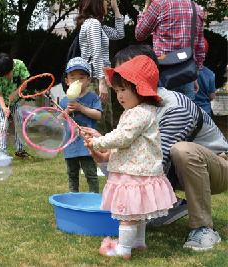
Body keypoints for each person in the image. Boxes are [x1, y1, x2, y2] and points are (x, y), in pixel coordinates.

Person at [83, 45, 228, 251]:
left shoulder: (174, 107)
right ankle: (173, 207)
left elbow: (156, 161)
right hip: (182, 171)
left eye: (124, 77)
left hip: (218, 166)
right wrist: (106, 155)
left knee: (182, 150)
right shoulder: (138, 108)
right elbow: (134, 152)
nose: (117, 83)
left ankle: (205, 228)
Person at [83, 55, 176, 259]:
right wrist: (100, 139)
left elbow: (122, 137)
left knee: (127, 214)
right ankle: (138, 243)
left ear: (141, 90)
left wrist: (97, 142)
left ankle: (123, 249)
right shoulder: (142, 111)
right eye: (117, 90)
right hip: (140, 172)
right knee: (138, 213)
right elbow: (127, 141)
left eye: (124, 89)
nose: (119, 95)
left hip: (132, 173)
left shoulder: (137, 114)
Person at [135, 0, 205, 99]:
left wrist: (146, 6)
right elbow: (200, 48)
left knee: (162, 112)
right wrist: (195, 75)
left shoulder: (159, 4)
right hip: (186, 73)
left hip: (162, 73)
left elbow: (140, 34)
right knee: (186, 112)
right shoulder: (196, 8)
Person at [75, 0, 125, 135]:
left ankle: (103, 153)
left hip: (98, 77)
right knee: (101, 120)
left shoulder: (98, 25)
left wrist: (116, 10)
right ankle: (99, 154)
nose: (107, 4)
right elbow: (96, 54)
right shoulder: (93, 24)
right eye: (105, 1)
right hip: (96, 79)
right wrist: (102, 82)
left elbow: (119, 34)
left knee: (105, 117)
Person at [60, 57, 102, 193]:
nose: (76, 80)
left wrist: (80, 108)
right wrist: (67, 110)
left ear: (88, 80)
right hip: (70, 145)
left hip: (87, 145)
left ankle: (95, 197)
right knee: (72, 174)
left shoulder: (93, 98)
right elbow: (58, 120)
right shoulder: (64, 100)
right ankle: (73, 197)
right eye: (72, 77)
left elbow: (98, 115)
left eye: (81, 77)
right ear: (67, 81)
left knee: (91, 174)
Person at [0, 53, 33, 159]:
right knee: (3, 124)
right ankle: (2, 152)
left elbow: (25, 83)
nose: (6, 77)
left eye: (7, 74)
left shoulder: (19, 65)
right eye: (3, 76)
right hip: (0, 101)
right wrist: (4, 108)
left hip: (14, 100)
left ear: (13, 65)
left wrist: (15, 93)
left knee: (19, 122)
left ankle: (20, 150)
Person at [194, 39, 216, 115]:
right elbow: (212, 96)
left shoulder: (184, 72)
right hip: (205, 112)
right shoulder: (210, 74)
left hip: (188, 110)